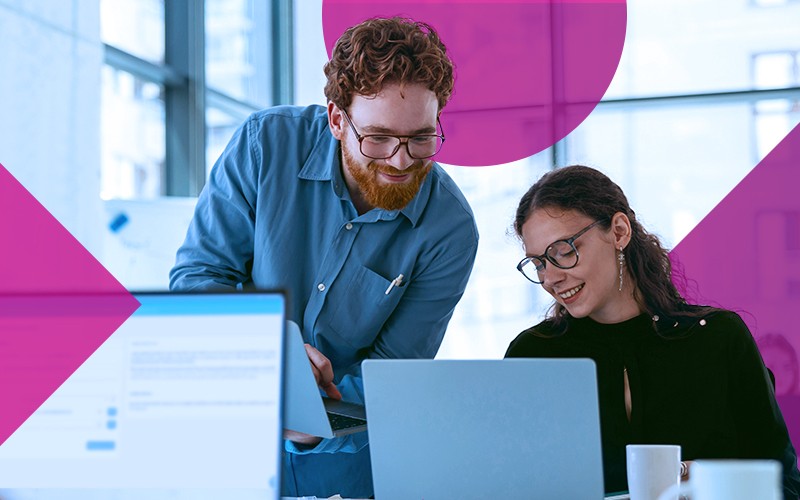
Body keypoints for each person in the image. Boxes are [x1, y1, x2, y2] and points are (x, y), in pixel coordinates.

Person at [169, 17, 478, 498]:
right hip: (226, 434)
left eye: (420, 138)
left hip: (349, 462)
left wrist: (312, 418)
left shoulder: (450, 229)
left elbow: (394, 372)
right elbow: (197, 279)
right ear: (337, 119)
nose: (401, 161)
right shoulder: (264, 146)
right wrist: (269, 352)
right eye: (378, 138)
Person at [504, 165, 800, 498]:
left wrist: (700, 476)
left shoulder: (718, 339)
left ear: (618, 231)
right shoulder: (533, 355)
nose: (549, 278)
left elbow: (784, 483)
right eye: (539, 262)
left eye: (563, 252)